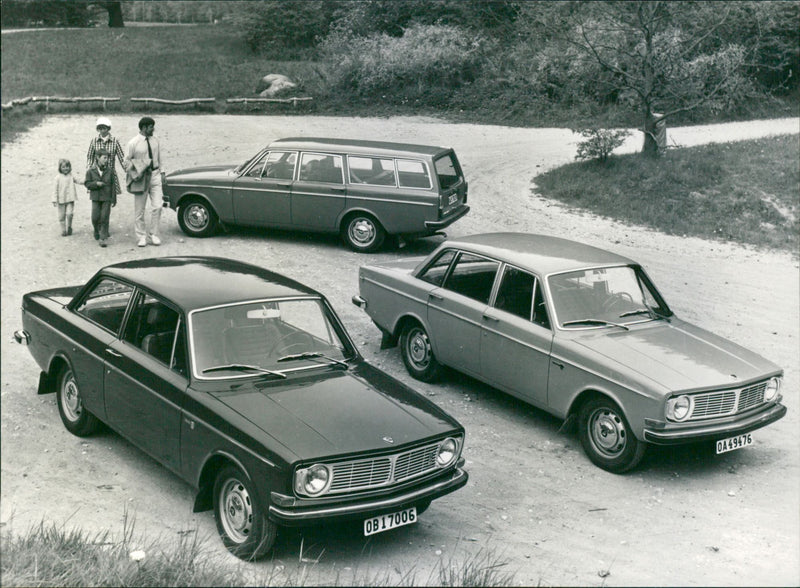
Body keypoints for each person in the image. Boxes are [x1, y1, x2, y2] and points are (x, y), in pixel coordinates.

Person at [125, 116, 165, 247]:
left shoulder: (156, 140)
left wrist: (162, 173)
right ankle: (141, 236)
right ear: (143, 128)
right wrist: (133, 174)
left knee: (158, 206)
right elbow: (126, 161)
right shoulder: (133, 143)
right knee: (139, 210)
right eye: (150, 127)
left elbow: (160, 157)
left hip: (155, 175)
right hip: (141, 178)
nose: (153, 129)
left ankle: (153, 234)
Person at [86, 116, 127, 204]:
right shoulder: (94, 141)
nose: (102, 131)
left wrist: (128, 170)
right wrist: (89, 169)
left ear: (108, 128)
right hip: (96, 173)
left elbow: (121, 157)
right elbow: (90, 157)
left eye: (104, 128)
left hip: (110, 173)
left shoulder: (115, 141)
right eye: (100, 128)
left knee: (108, 198)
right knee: (96, 196)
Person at [85, 149, 115, 247]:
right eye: (104, 158)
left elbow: (113, 186)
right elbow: (87, 183)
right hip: (96, 198)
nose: (106, 160)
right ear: (98, 157)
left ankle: (103, 238)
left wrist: (113, 199)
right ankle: (96, 229)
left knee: (105, 217)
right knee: (95, 217)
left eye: (107, 158)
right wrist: (96, 184)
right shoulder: (91, 171)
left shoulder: (110, 171)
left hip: (106, 197)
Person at [53, 158, 83, 236]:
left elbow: (78, 180)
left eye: (67, 166)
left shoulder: (71, 176)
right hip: (61, 200)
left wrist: (86, 181)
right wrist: (54, 199)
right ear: (60, 168)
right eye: (63, 167)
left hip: (70, 199)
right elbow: (55, 190)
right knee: (61, 216)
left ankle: (69, 226)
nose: (65, 168)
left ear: (70, 167)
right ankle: (63, 230)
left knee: (69, 214)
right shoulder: (57, 178)